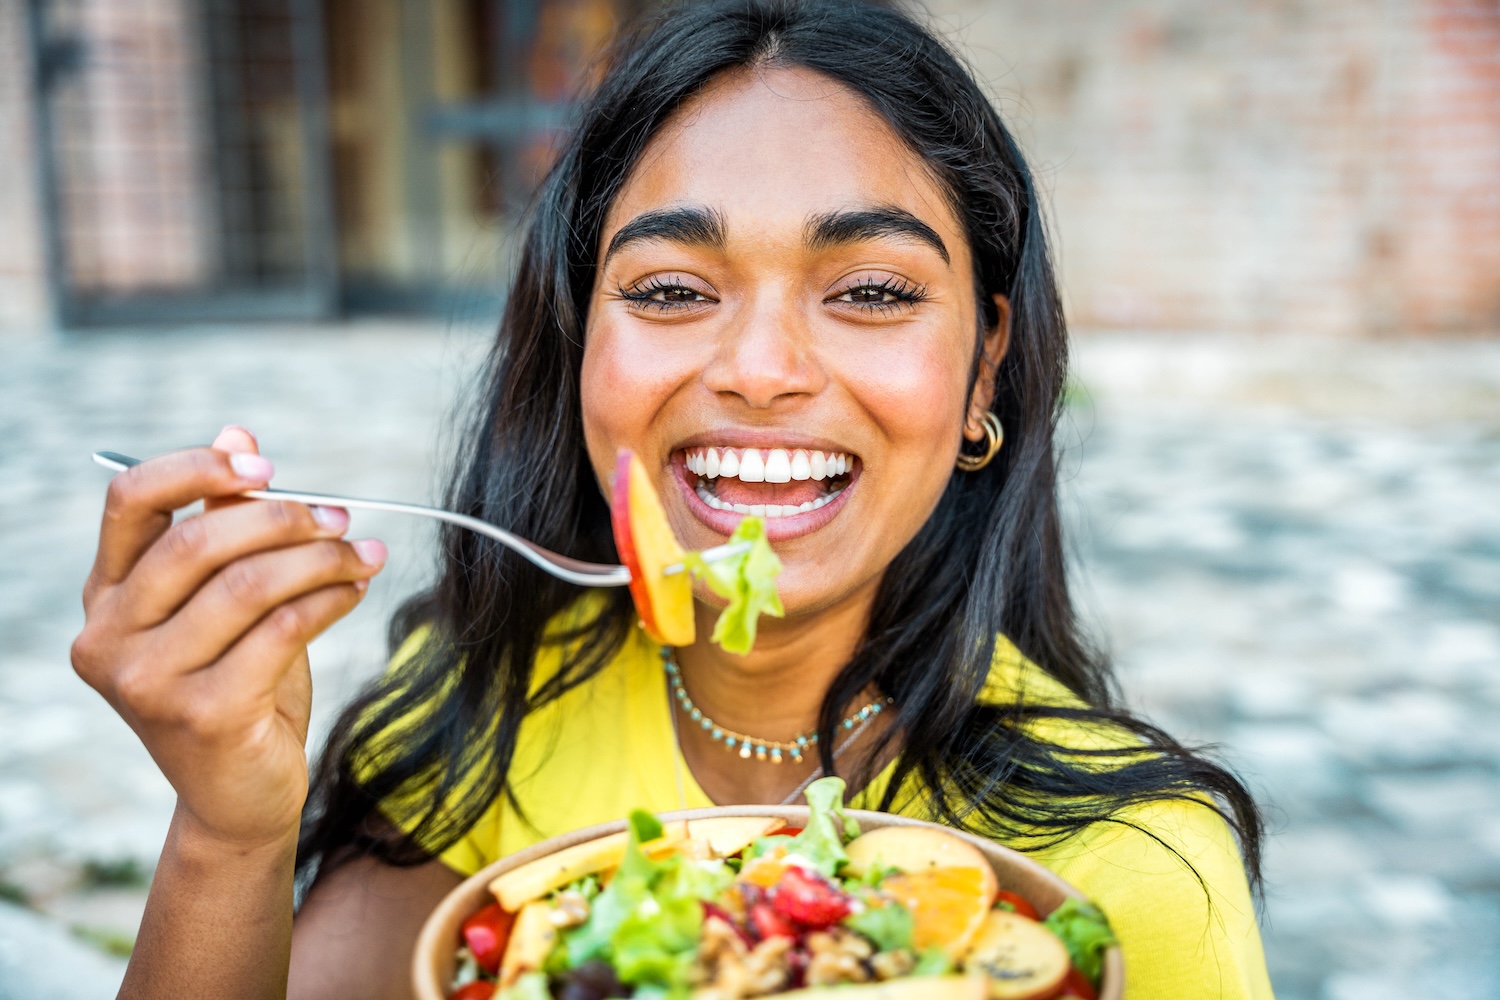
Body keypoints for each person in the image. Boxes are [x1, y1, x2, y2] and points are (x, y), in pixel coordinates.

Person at [71, 1, 1273, 997]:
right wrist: (229, 830)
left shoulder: (1135, 871)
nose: (758, 368)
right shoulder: (482, 709)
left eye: (867, 290)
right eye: (668, 289)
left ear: (983, 370)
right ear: (579, 342)